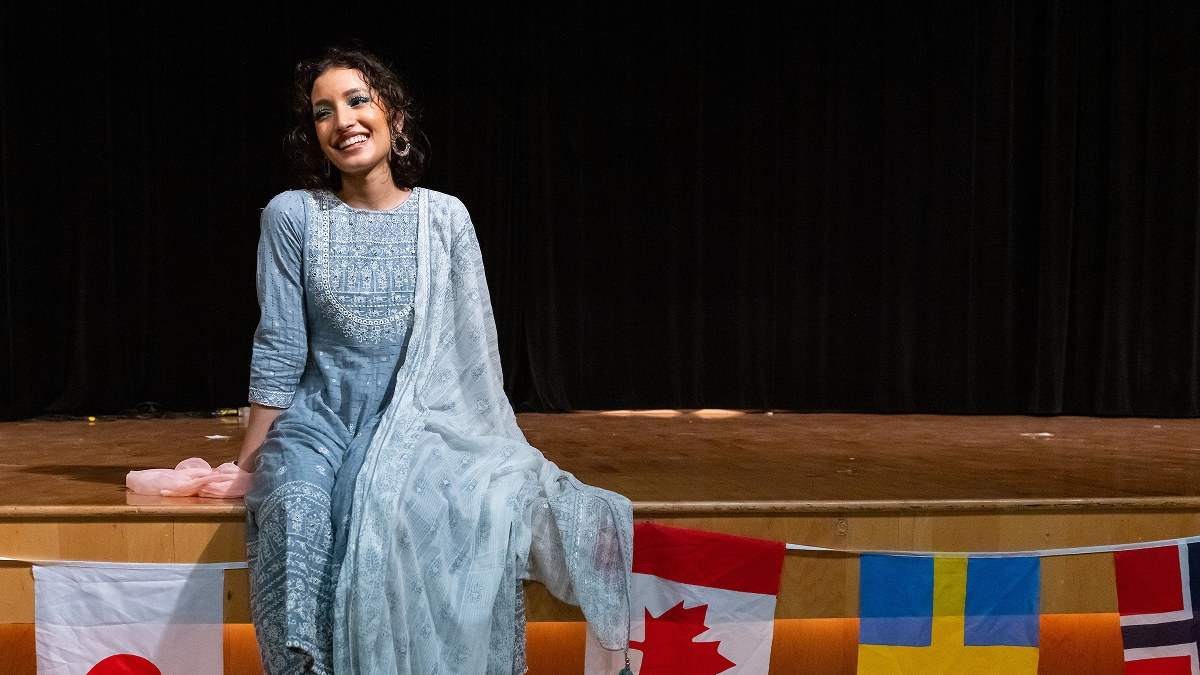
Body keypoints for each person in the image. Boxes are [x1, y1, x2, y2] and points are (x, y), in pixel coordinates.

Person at [236, 46, 633, 674]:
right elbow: (281, 346)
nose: (343, 121)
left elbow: (470, 354)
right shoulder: (294, 217)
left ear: (394, 116)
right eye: (323, 111)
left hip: (421, 428)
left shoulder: (444, 217)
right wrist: (249, 463)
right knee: (296, 516)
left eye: (358, 100)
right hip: (318, 427)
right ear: (313, 135)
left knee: (422, 512)